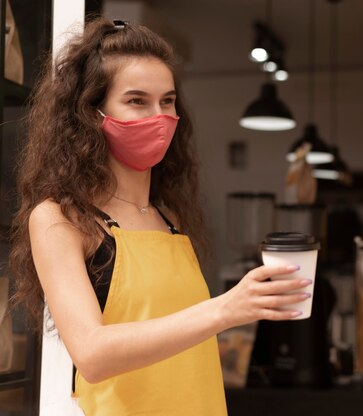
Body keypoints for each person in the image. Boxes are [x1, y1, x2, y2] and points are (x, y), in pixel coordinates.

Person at [8, 17, 312, 415]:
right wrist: (225, 309)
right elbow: (93, 354)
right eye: (137, 100)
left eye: (167, 101)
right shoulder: (61, 218)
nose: (159, 116)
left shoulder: (169, 218)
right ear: (91, 112)